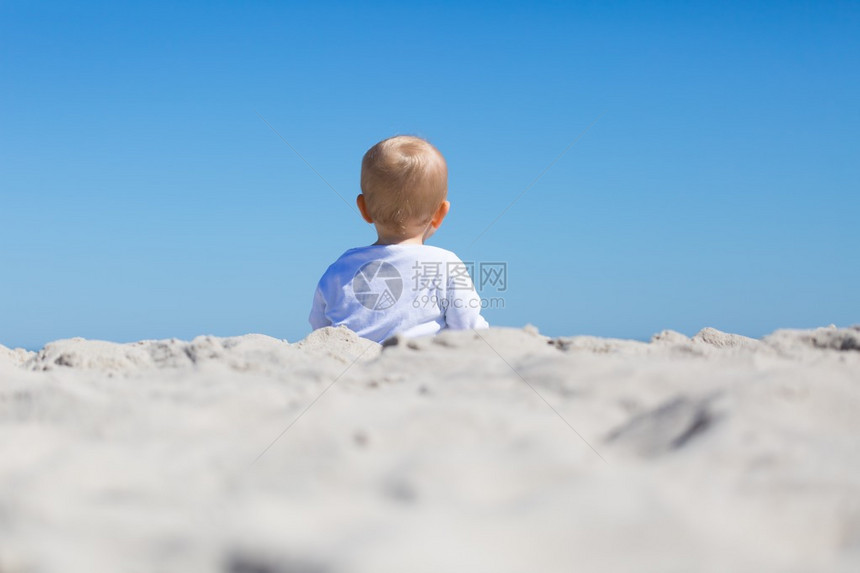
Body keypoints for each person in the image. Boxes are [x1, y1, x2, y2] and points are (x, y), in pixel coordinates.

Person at [309, 135, 489, 343]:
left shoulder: (340, 268)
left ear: (363, 209)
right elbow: (468, 329)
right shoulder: (446, 264)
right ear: (440, 213)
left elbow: (320, 331)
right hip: (419, 365)